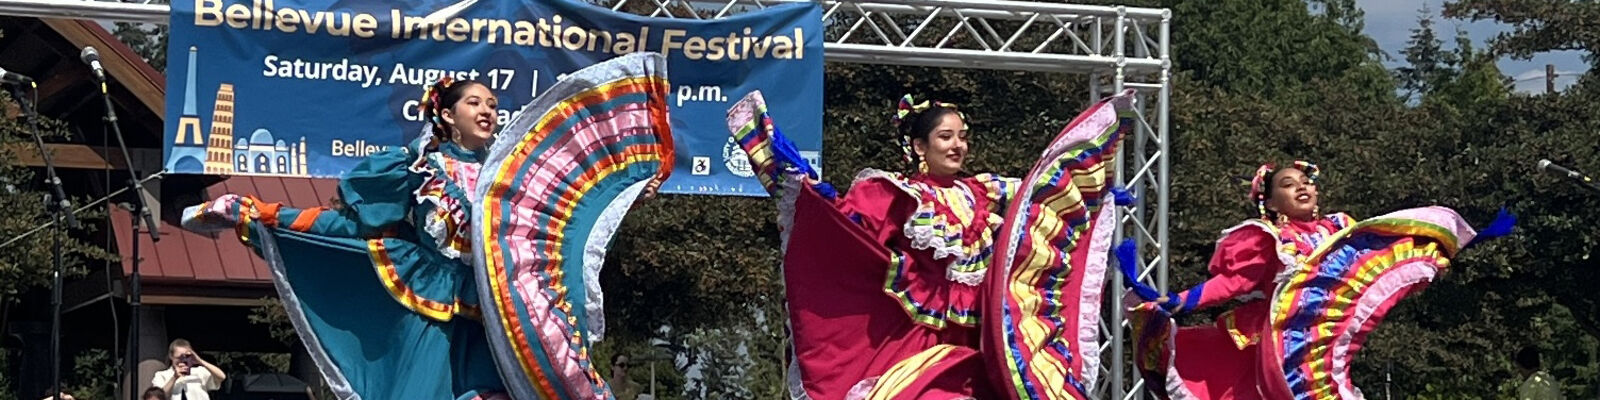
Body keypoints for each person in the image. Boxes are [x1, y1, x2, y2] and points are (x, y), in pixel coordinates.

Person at [182, 53, 674, 400]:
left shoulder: (511, 181)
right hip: (435, 319)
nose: (487, 110)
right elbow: (353, 229)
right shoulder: (418, 173)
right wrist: (259, 213)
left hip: (502, 316)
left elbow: (566, 227)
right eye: (473, 103)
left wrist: (626, 192)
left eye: (491, 104)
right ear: (445, 114)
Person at [727, 90, 1136, 399]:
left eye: (962, 136)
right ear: (920, 147)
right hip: (917, 344)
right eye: (946, 137)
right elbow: (848, 231)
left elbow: (1040, 202)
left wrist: (1092, 199)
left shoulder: (987, 192)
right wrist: (811, 194)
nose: (958, 145)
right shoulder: (893, 193)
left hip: (988, 345)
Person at [1121, 161, 1512, 400]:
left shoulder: (1340, 229)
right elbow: (1232, 285)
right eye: (1288, 185)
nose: (1302, 186)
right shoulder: (1269, 238)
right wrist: (1177, 301)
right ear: (1271, 204)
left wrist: (1467, 237)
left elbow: (1385, 252)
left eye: (1305, 182)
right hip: (1286, 340)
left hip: (1330, 334)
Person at [151, 339, 226, 400]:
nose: (182, 360)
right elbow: (159, 397)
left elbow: (221, 377)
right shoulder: (161, 375)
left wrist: (200, 361)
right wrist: (174, 377)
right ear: (171, 356)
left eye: (186, 357)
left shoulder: (199, 372)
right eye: (178, 358)